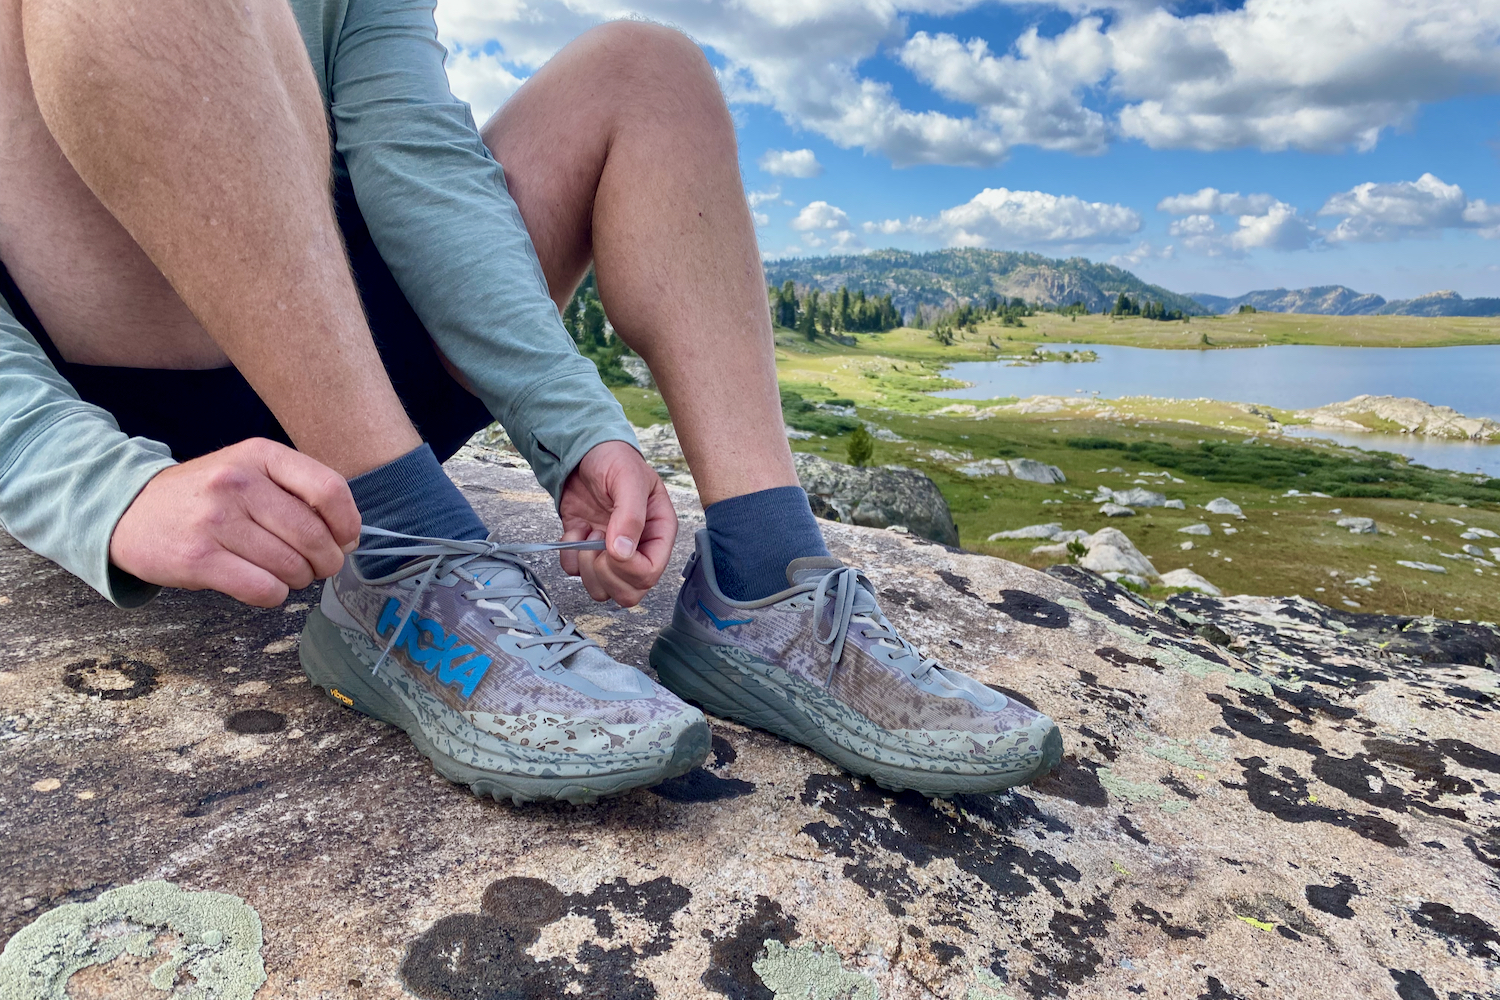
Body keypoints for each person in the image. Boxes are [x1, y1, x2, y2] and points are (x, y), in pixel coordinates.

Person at [0, 0, 1060, 803]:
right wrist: (106, 489)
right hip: (128, 388)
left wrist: (575, 423)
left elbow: (415, 154)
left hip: (343, 364)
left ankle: (766, 580)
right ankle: (402, 555)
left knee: (649, 71)